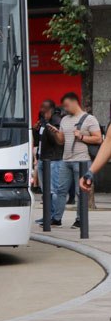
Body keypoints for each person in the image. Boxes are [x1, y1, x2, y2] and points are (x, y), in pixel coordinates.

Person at [47, 93, 102, 228]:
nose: (65, 108)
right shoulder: (64, 119)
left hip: (82, 160)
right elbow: (61, 141)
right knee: (60, 190)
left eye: (66, 105)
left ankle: (80, 220)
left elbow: (98, 138)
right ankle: (56, 218)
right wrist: (56, 133)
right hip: (66, 160)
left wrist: (82, 137)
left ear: (74, 102)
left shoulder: (89, 119)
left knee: (80, 191)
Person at [32, 100, 63, 195]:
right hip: (42, 157)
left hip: (52, 159)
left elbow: (57, 141)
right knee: (44, 188)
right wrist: (35, 130)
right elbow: (38, 140)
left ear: (50, 109)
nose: (41, 110)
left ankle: (53, 204)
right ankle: (47, 203)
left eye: (44, 108)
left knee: (53, 188)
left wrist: (49, 128)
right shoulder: (43, 120)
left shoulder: (56, 120)